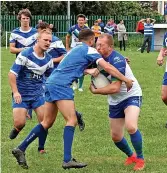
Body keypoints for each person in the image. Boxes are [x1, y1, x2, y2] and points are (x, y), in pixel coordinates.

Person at [11, 29, 133, 170]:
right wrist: (126, 80)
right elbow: (107, 66)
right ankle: (67, 159)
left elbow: (92, 63)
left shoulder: (75, 50)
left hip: (50, 83)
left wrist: (121, 59)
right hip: (61, 85)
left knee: (47, 122)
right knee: (72, 120)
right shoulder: (89, 50)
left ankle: (21, 148)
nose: (96, 46)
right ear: (92, 39)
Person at [89, 33, 144, 171]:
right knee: (116, 136)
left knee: (131, 126)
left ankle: (140, 159)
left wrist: (96, 91)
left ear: (111, 47)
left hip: (131, 95)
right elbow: (77, 66)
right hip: (115, 100)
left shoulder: (117, 59)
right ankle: (131, 156)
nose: (98, 47)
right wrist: (88, 70)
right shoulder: (96, 57)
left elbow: (115, 87)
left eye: (101, 45)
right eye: (97, 45)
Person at [8, 29, 54, 155]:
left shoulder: (49, 59)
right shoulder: (25, 55)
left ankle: (41, 147)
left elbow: (52, 77)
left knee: (45, 122)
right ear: (37, 40)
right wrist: (16, 92)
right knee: (20, 122)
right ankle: (17, 129)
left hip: (38, 94)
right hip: (21, 94)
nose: (48, 43)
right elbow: (12, 74)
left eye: (50, 41)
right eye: (45, 40)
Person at [37, 22, 85, 131]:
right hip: (42, 72)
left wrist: (50, 61)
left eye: (40, 30)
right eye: (39, 31)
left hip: (54, 74)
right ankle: (74, 115)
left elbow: (64, 55)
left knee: (53, 97)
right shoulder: (38, 40)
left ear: (47, 30)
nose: (39, 32)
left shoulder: (56, 41)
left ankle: (72, 116)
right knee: (48, 96)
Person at [9, 9, 38, 119]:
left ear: (29, 19)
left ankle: (28, 112)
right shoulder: (15, 33)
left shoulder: (35, 32)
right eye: (23, 18)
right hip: (19, 63)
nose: (25, 20)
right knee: (17, 85)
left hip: (32, 63)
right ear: (19, 20)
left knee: (31, 85)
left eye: (27, 18)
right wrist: (23, 50)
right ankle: (18, 106)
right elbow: (11, 49)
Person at [66, 14, 89, 92]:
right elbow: (67, 37)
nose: (81, 21)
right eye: (79, 20)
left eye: (82, 20)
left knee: (82, 67)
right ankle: (75, 83)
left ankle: (80, 86)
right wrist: (67, 47)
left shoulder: (87, 29)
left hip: (83, 50)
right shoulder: (72, 28)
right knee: (73, 67)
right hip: (74, 50)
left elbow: (89, 39)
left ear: (84, 21)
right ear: (77, 21)